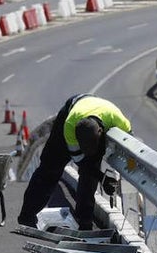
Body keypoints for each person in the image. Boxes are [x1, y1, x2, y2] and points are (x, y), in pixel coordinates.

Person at [17, 94, 131, 230]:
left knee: (90, 173)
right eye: (83, 148)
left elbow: (131, 148)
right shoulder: (69, 126)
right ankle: (27, 215)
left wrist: (112, 176)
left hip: (94, 112)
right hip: (70, 111)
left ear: (101, 132)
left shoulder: (119, 121)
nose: (86, 152)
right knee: (50, 168)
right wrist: (102, 178)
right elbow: (81, 162)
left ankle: (84, 222)